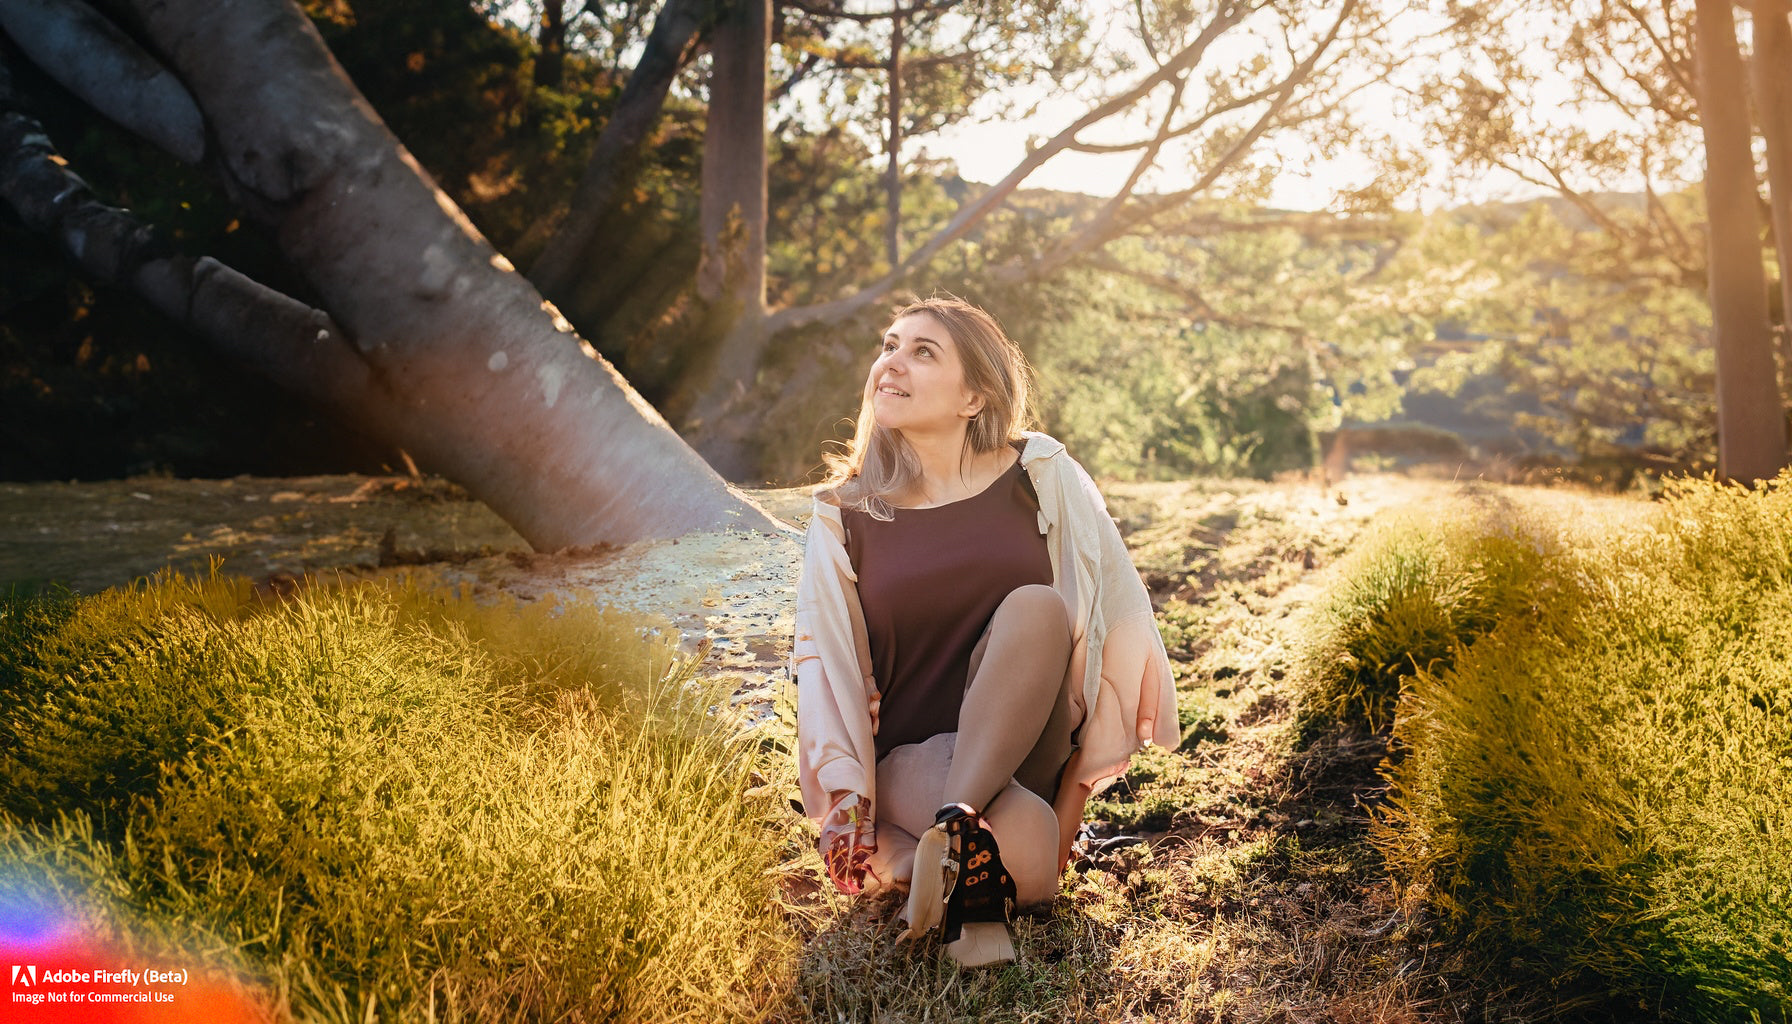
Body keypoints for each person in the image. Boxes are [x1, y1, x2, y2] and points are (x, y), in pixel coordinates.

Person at [791, 295, 1178, 966]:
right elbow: (826, 666)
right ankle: (948, 840)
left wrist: (1069, 813)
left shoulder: (1040, 474)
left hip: (1030, 751)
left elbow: (1111, 622)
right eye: (889, 346)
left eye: (922, 352)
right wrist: (850, 797)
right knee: (1021, 837)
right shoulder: (843, 516)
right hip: (914, 757)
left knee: (1038, 609)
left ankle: (931, 851)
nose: (891, 363)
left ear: (973, 397)